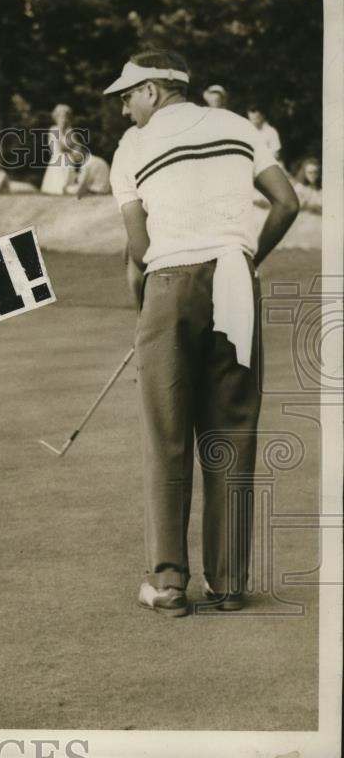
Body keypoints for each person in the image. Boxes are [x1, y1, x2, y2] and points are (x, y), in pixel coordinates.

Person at [104, 49, 299, 617]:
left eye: (128, 94)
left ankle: (168, 585)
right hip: (236, 277)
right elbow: (286, 202)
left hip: (170, 283)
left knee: (167, 434)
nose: (122, 107)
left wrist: (145, 304)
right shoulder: (238, 125)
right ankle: (229, 583)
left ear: (157, 88)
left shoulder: (132, 148)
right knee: (231, 428)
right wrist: (246, 256)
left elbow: (139, 249)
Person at [40, 103, 82, 195]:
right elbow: (59, 147)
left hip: (68, 158)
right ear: (57, 118)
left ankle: (68, 187)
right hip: (58, 157)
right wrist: (71, 148)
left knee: (69, 163)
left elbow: (77, 146)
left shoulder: (69, 131)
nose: (64, 119)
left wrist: (74, 150)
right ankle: (61, 188)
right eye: (62, 117)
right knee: (63, 163)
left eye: (66, 117)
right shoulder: (53, 130)